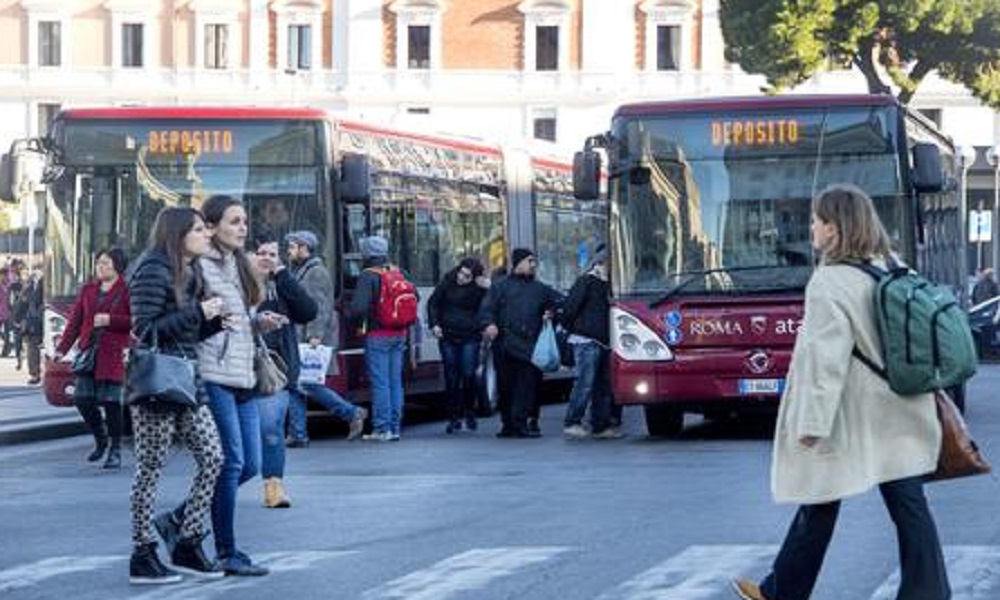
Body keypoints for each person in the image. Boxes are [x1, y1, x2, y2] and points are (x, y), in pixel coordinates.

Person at [731, 184, 949, 600]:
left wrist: (811, 422)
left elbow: (823, 360)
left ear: (833, 229)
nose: (810, 228)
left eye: (816, 221)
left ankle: (782, 593)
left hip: (856, 414)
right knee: (906, 503)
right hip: (903, 404)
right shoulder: (894, 268)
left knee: (821, 495)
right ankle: (927, 591)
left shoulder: (829, 282)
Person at [128, 207, 226, 584]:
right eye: (199, 229)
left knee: (213, 457)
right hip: (156, 383)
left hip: (187, 379)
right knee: (150, 467)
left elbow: (187, 332)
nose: (206, 235)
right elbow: (146, 329)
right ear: (178, 234)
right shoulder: (153, 269)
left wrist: (214, 321)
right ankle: (142, 551)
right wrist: (197, 312)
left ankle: (187, 540)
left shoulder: (193, 271)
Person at [193, 194, 281, 576]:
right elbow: (199, 319)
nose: (242, 228)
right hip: (214, 373)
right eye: (233, 221)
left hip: (244, 372)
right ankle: (227, 552)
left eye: (244, 221)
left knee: (250, 465)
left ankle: (181, 521)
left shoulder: (239, 264)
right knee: (231, 464)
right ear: (211, 227)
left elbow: (239, 316)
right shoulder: (199, 266)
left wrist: (258, 323)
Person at [284, 230, 368, 447]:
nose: (289, 251)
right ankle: (298, 433)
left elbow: (320, 307)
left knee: (307, 383)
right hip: (300, 334)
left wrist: (315, 335)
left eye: (293, 247)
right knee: (295, 384)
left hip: (309, 336)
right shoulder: (302, 270)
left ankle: (351, 412)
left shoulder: (316, 272)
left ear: (305, 248)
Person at [253, 234, 317, 508]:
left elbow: (308, 311)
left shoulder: (283, 284)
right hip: (235, 366)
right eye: (261, 253)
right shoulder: (234, 283)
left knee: (270, 427)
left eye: (273, 254)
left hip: (274, 368)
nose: (267, 258)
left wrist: (281, 276)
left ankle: (274, 486)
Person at [54, 248, 131, 468]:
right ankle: (101, 439)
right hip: (88, 352)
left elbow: (136, 320)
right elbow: (74, 323)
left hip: (114, 354)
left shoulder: (127, 290)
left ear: (117, 265)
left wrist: (110, 320)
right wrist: (61, 349)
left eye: (106, 263)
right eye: (99, 263)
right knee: (82, 399)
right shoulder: (88, 290)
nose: (101, 267)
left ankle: (115, 449)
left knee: (111, 402)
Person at [481, 248, 562, 438]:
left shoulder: (541, 289)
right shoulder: (500, 286)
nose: (533, 265)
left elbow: (559, 303)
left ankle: (522, 421)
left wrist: (550, 313)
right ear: (518, 263)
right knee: (506, 385)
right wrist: (489, 324)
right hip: (504, 343)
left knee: (526, 385)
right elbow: (487, 309)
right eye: (530, 261)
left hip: (530, 345)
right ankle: (508, 423)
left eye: (534, 261)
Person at [347, 235, 411, 442]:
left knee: (380, 382)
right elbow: (414, 296)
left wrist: (355, 318)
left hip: (378, 334)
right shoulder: (396, 271)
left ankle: (381, 428)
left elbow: (358, 308)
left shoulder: (368, 275)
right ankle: (394, 427)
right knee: (395, 382)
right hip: (399, 333)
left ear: (366, 254)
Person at [560, 243, 621, 440]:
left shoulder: (611, 286)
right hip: (586, 340)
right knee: (584, 383)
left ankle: (600, 425)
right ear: (603, 262)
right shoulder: (586, 281)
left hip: (604, 341)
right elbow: (569, 308)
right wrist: (576, 329)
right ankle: (573, 421)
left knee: (602, 385)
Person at [427, 257, 489, 434]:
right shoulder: (447, 281)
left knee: (469, 374)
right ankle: (453, 417)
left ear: (475, 277)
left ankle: (469, 411)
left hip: (470, 336)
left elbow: (492, 304)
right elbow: (433, 304)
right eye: (461, 273)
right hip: (448, 335)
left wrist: (488, 286)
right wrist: (434, 324)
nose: (462, 277)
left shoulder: (480, 289)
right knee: (451, 377)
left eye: (467, 276)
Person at [14, 268, 43, 384]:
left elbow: (20, 306)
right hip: (40, 322)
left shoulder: (28, 290)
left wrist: (17, 320)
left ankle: (35, 374)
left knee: (32, 349)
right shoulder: (48, 285)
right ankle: (36, 373)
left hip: (33, 324)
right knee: (33, 348)